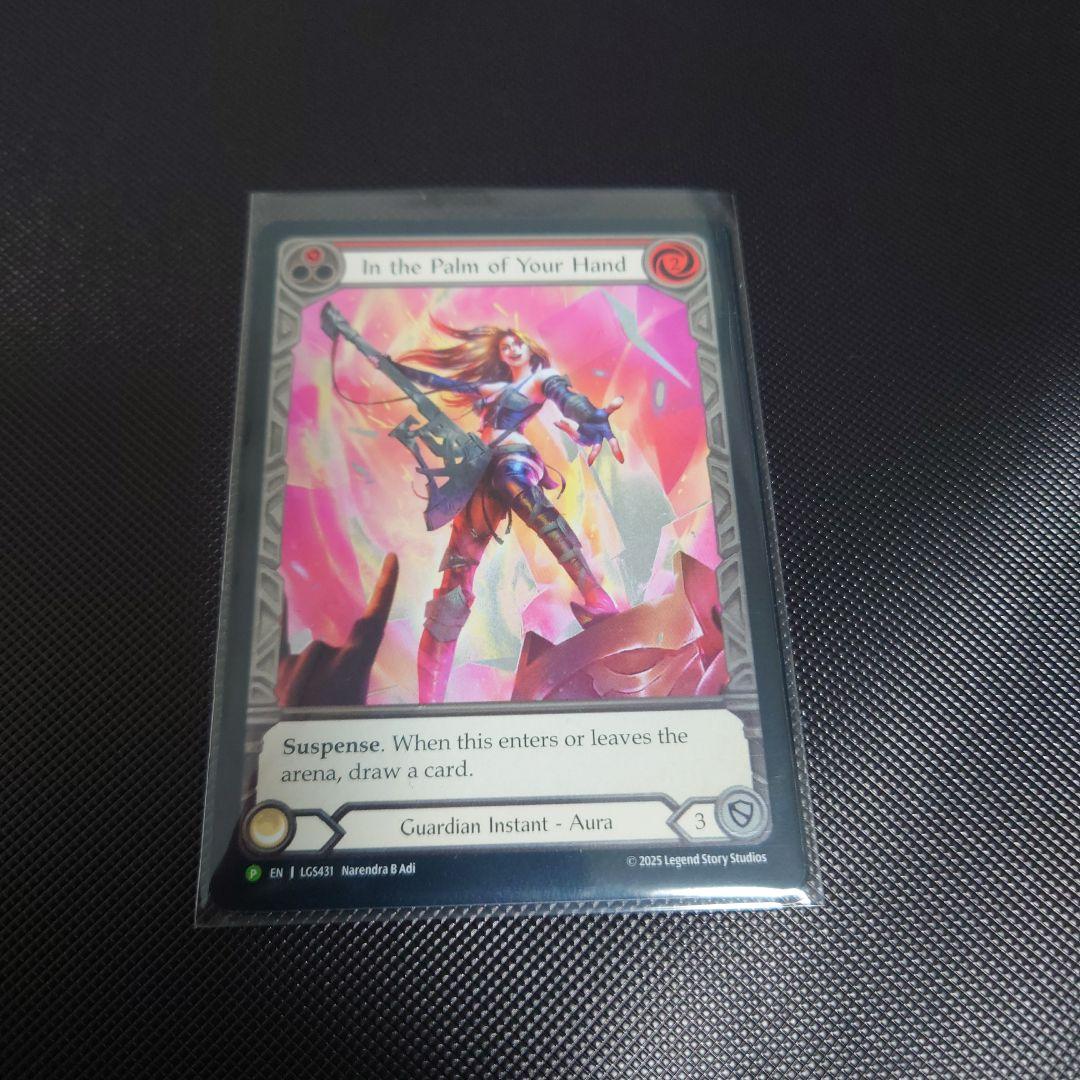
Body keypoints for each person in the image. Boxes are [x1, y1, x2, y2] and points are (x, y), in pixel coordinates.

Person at [388, 320, 625, 703]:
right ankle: (429, 700)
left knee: (524, 496)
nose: (511, 348)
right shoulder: (492, 388)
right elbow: (440, 383)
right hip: (478, 472)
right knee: (454, 583)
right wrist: (391, 366)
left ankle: (595, 593)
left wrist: (591, 417)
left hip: (513, 459)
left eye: (517, 343)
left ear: (529, 348)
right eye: (504, 346)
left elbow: (568, 399)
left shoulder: (541, 380)